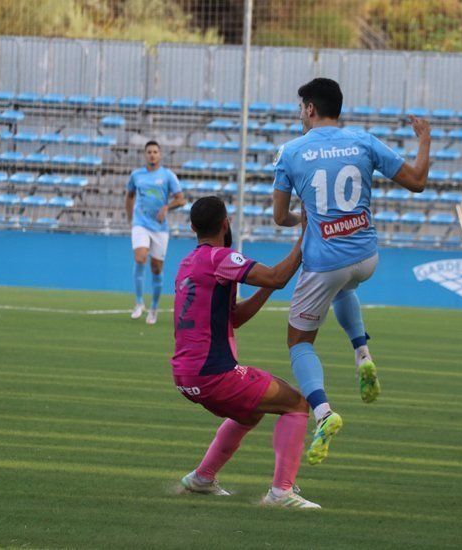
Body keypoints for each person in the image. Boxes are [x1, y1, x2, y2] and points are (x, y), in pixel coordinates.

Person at [272, 77, 431, 464]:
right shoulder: (364, 140)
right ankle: (362, 352)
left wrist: (301, 218)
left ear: (310, 109)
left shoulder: (291, 151)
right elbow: (418, 182)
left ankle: (323, 413)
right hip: (366, 257)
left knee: (299, 343)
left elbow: (279, 217)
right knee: (346, 286)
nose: (300, 115)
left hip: (324, 265)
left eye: (300, 108)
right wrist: (424, 139)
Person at [173, 196, 320, 508]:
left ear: (192, 227)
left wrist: (266, 287)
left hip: (185, 375)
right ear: (226, 223)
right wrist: (306, 235)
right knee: (296, 403)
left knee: (250, 412)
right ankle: (281, 493)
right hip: (214, 373)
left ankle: (202, 478)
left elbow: (235, 317)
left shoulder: (187, 263)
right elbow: (278, 276)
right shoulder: (220, 258)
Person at [125, 140, 185, 325]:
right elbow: (130, 196)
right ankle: (139, 302)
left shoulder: (167, 176)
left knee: (156, 268)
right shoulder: (136, 175)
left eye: (155, 152)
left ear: (160, 155)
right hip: (140, 223)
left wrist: (167, 207)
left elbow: (181, 200)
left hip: (159, 228)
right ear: (145, 154)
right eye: (149, 151)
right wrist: (130, 219)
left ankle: (154, 308)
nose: (152, 154)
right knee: (140, 257)